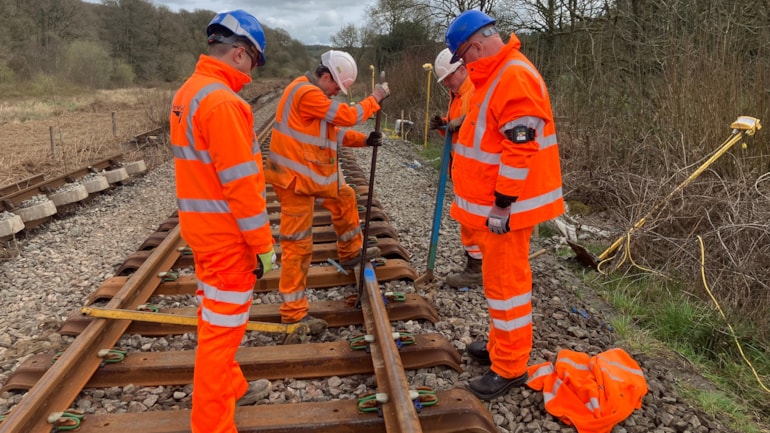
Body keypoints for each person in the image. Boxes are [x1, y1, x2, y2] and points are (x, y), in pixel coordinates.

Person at [444, 10, 565, 400]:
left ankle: (510, 366)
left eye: (464, 57)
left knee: (507, 287)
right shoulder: (495, 74)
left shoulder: (513, 75)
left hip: (507, 212)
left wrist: (502, 204)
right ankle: (501, 348)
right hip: (495, 208)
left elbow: (520, 145)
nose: (466, 65)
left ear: (476, 46)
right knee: (498, 286)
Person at [169, 9, 275, 432]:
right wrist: (264, 245)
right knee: (221, 334)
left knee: (214, 319)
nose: (251, 71)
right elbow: (242, 187)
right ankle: (212, 425)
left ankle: (232, 386)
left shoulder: (188, 93)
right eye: (253, 60)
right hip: (228, 240)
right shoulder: (224, 103)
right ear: (238, 53)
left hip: (202, 232)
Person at [265, 50, 390, 331]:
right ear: (325, 76)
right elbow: (346, 116)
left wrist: (365, 140)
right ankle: (294, 312)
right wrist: (375, 99)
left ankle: (349, 251)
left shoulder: (314, 98)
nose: (337, 92)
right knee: (298, 247)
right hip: (294, 182)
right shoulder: (306, 93)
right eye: (336, 86)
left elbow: (332, 133)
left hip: (307, 176)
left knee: (344, 197)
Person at [428, 47, 482, 289]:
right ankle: (479, 264)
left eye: (449, 78)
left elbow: (479, 123)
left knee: (472, 220)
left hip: (477, 170)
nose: (446, 83)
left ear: (462, 70)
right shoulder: (458, 94)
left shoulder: (475, 90)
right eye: (444, 80)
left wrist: (464, 122)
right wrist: (444, 125)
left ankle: (476, 268)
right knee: (467, 218)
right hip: (462, 168)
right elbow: (456, 130)